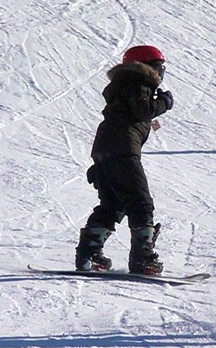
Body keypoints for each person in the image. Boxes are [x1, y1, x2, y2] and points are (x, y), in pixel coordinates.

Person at [74, 45, 174, 275]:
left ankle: (88, 252)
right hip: (122, 150)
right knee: (140, 201)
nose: (161, 74)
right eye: (159, 68)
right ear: (146, 68)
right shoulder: (137, 83)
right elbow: (143, 110)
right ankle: (142, 257)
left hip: (107, 149)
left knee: (113, 203)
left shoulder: (125, 86)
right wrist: (164, 104)